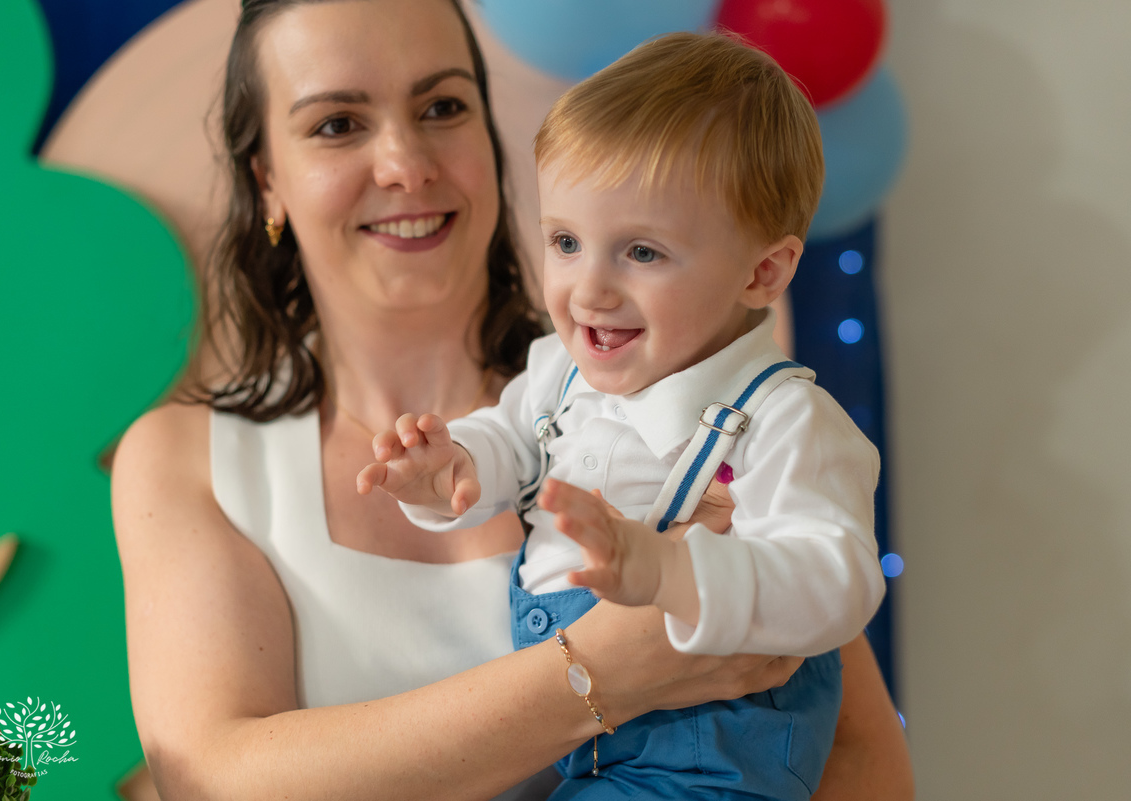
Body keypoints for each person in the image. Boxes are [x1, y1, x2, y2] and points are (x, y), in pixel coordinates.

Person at [110, 1, 914, 799]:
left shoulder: (692, 397)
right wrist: (614, 667)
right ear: (267, 180)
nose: (405, 163)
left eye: (442, 106)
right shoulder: (193, 459)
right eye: (336, 125)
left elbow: (861, 756)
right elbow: (216, 779)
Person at [358, 33, 885, 800]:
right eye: (567, 241)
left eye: (641, 252)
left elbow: (837, 582)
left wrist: (674, 573)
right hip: (589, 750)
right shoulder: (558, 372)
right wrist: (450, 469)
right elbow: (510, 440)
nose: (589, 289)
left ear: (761, 271)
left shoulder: (784, 420)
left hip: (713, 764)